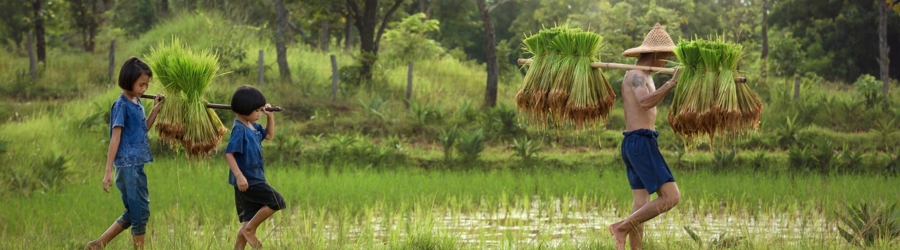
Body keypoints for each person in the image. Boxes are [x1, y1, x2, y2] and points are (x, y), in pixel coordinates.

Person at [608, 23, 683, 250]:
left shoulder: (644, 76)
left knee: (641, 203)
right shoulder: (637, 76)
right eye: (666, 57)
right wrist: (671, 83)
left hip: (634, 142)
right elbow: (644, 102)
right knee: (671, 197)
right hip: (641, 141)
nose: (666, 62)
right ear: (655, 54)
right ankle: (621, 227)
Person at [87, 57, 163, 250]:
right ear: (128, 80)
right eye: (141, 84)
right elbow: (115, 138)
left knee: (136, 211)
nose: (144, 89)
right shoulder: (121, 105)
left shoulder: (136, 101)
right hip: (128, 166)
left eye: (146, 85)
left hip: (137, 164)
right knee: (139, 215)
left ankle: (98, 244)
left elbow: (142, 129)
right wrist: (108, 171)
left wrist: (155, 110)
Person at [225, 85, 286, 249]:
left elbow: (270, 136)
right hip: (249, 180)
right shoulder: (239, 129)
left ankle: (247, 231)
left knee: (245, 224)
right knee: (277, 201)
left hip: (254, 178)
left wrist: (270, 116)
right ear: (245, 109)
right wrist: (239, 176)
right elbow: (229, 154)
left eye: (260, 110)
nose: (260, 113)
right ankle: (251, 230)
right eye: (257, 110)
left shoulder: (253, 126)